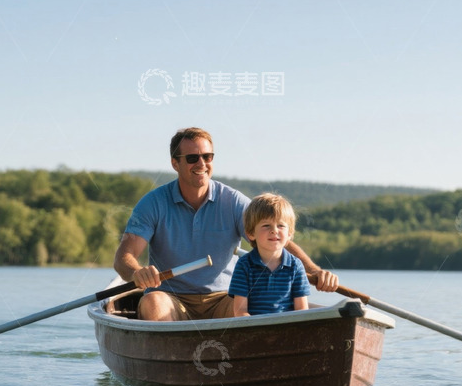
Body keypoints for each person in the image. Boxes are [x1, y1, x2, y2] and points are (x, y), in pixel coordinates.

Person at [113, 128, 338, 320]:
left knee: (258, 302)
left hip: (225, 298)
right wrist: (137, 272)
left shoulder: (233, 201)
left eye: (207, 156)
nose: (202, 163)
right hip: (170, 299)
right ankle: (171, 355)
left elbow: (276, 241)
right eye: (192, 158)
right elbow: (123, 258)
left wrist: (315, 272)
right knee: (153, 303)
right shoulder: (152, 203)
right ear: (175, 163)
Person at [229, 193, 310, 317]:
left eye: (281, 225)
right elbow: (240, 311)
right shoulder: (244, 265)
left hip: (288, 326)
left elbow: (302, 310)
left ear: (289, 233)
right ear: (251, 233)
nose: (274, 231)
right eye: (266, 225)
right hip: (255, 326)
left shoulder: (296, 265)